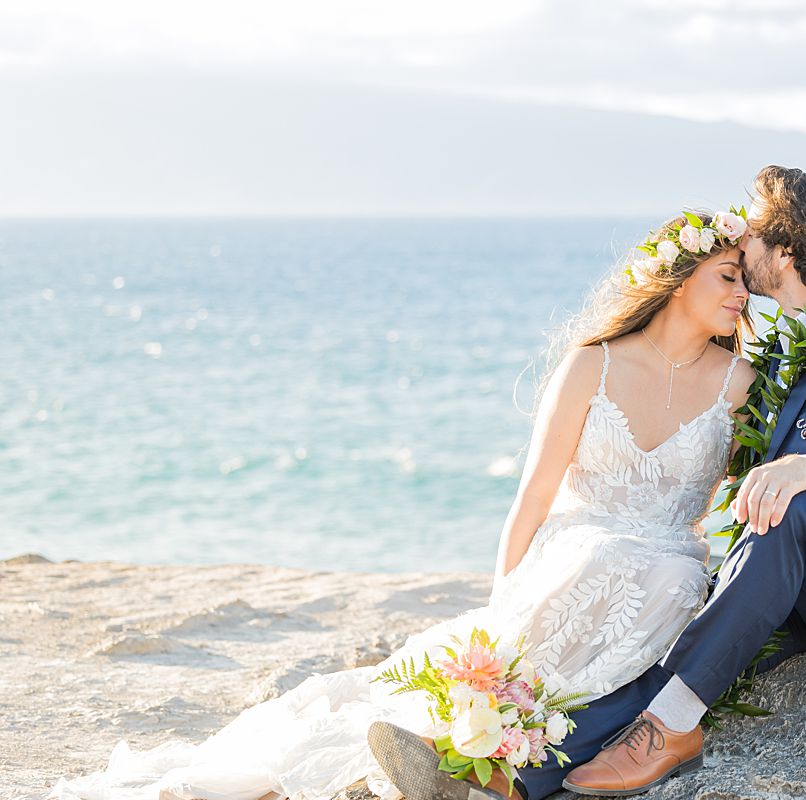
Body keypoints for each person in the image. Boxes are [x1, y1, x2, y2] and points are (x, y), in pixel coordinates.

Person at [50, 210, 758, 800]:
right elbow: (535, 497)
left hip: (666, 564)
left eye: (748, 289)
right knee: (581, 566)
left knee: (664, 578)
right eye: (728, 277)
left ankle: (495, 755)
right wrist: (498, 606)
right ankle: (472, 732)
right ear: (674, 276)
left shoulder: (741, 382)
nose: (741, 298)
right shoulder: (592, 363)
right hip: (573, 553)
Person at [374, 166, 806, 800]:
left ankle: (671, 727)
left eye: (756, 237)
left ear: (786, 252)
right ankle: (509, 776)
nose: (745, 245)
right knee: (678, 648)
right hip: (792, 578)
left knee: (783, 516)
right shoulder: (775, 356)